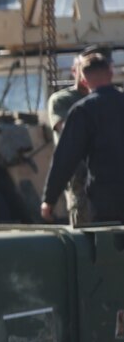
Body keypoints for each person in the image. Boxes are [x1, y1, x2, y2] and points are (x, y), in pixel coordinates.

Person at [42, 46, 123, 225]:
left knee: (98, 249)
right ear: (111, 73)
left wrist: (50, 198)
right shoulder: (68, 103)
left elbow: (66, 156)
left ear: (84, 80)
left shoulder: (82, 111)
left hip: (102, 202)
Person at [46, 54, 92, 225]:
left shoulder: (109, 99)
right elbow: (69, 133)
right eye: (83, 69)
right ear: (74, 71)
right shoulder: (62, 100)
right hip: (79, 179)